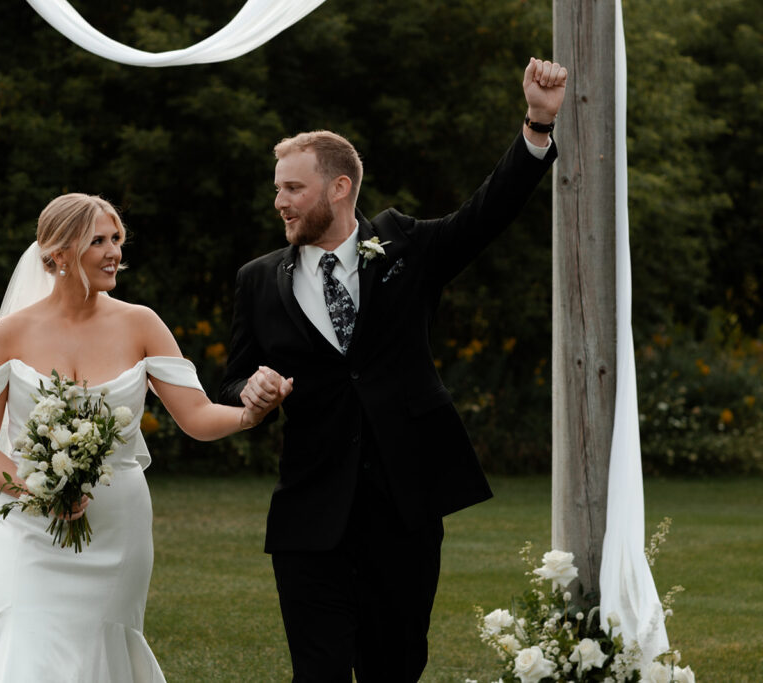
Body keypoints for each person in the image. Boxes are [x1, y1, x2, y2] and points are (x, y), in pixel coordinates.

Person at [218, 58, 568, 681]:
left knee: (395, 667)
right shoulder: (256, 281)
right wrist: (249, 387)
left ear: (339, 188)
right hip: (309, 513)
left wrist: (537, 126)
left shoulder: (404, 247)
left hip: (404, 510)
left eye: (292, 188)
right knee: (318, 672)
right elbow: (230, 375)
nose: (279, 202)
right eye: (277, 189)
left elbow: (485, 215)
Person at [0, 193, 273, 682]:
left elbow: (196, 415)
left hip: (116, 523)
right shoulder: (6, 335)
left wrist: (248, 415)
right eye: (96, 241)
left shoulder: (141, 324)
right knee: (27, 642)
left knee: (103, 646)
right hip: (26, 530)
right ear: (56, 253)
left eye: (116, 239)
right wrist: (38, 490)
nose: (113, 253)